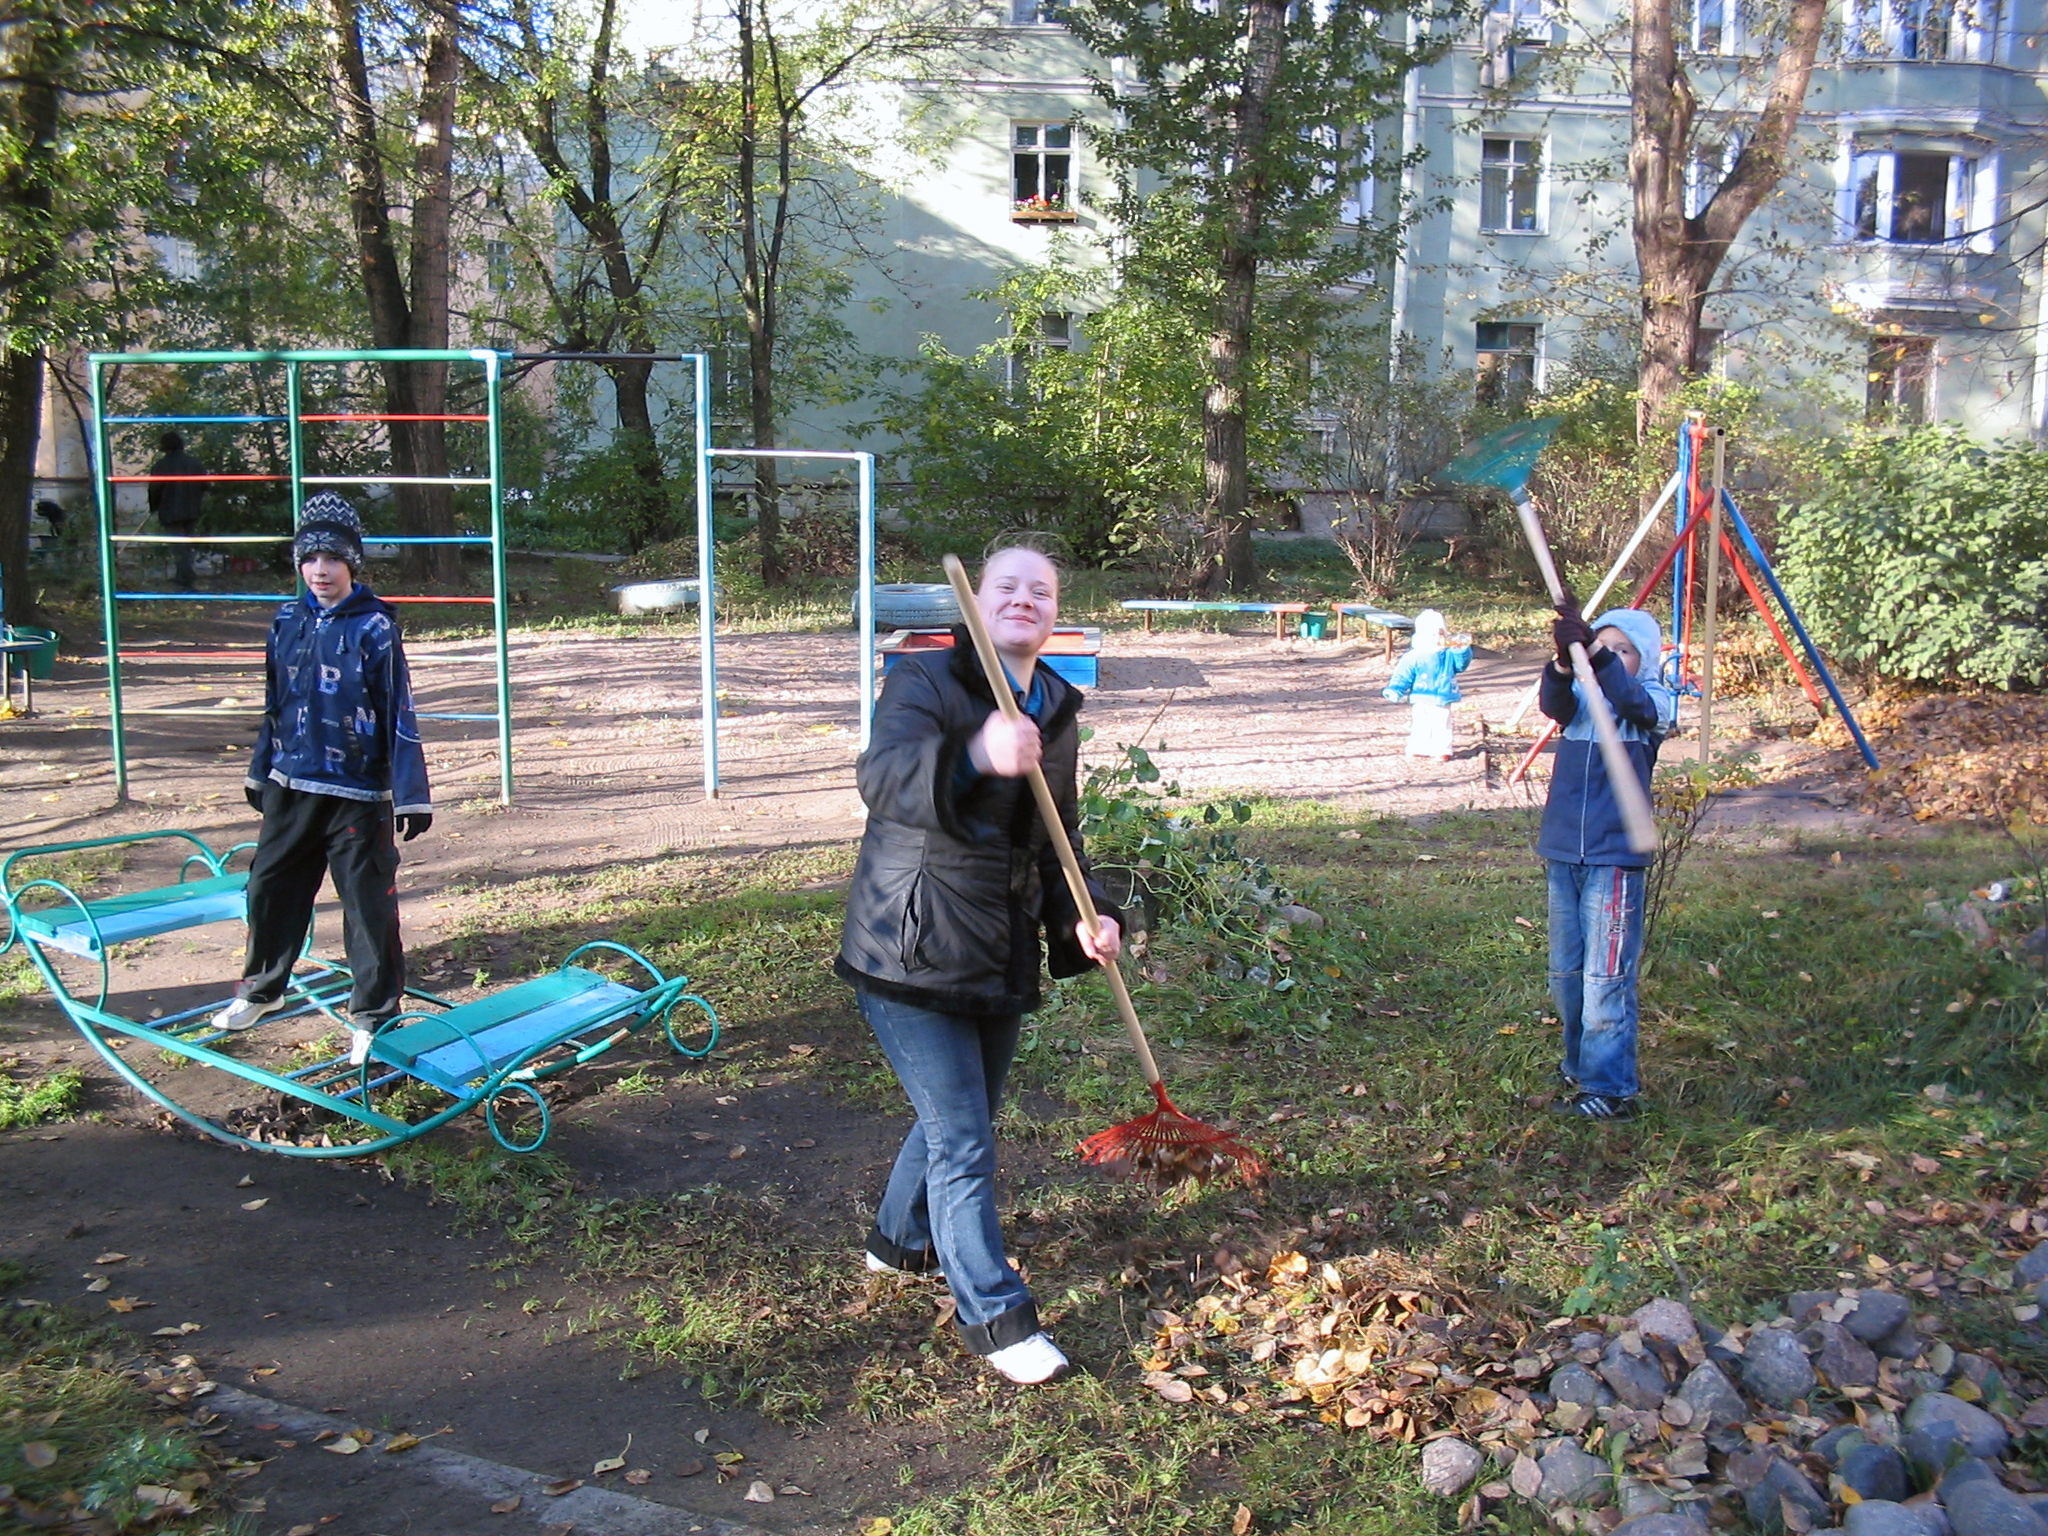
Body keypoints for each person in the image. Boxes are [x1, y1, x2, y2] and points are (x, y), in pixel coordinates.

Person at [836, 544, 1121, 1386]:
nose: (1023, 600)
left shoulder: (1057, 704)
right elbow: (881, 779)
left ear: (1055, 609)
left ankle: (896, 1243)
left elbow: (1057, 836)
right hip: (910, 944)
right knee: (963, 1139)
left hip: (996, 951)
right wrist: (974, 755)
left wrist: (1085, 917)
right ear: (977, 604)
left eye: (1041, 590)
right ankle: (995, 1319)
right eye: (1007, 587)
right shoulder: (927, 682)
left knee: (957, 1122)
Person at [211, 493, 432, 1067]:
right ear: (298, 565)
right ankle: (262, 991)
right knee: (270, 888)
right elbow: (273, 704)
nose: (320, 571)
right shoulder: (286, 622)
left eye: (332, 559)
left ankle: (374, 1016)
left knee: (366, 906)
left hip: (358, 796)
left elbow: (398, 709)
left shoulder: (376, 627)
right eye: (309, 560)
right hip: (292, 786)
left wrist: (411, 792)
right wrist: (260, 769)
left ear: (352, 563)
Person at [1537, 605, 1676, 1121]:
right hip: (1563, 853)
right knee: (1567, 974)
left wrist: (1596, 653)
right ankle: (1579, 1066)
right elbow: (1552, 703)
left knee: (1605, 978)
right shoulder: (1579, 703)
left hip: (1614, 859)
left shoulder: (1653, 705)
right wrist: (1563, 664)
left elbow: (1633, 699)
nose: (1612, 658)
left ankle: (1611, 1088)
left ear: (1645, 659)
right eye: (1604, 645)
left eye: (1624, 651)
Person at [1381, 608, 1472, 760]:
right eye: (1433, 633)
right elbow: (1403, 673)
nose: (1437, 637)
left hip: (1444, 694)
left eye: (1441, 632)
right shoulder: (1415, 655)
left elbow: (1460, 666)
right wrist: (1396, 688)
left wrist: (1461, 651)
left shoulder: (1448, 652)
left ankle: (1442, 749)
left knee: (1442, 723)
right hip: (1421, 694)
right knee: (1421, 722)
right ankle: (1419, 746)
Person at [146, 431, 209, 592]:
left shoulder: (161, 466)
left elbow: (154, 489)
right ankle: (185, 576)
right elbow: (206, 485)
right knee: (186, 546)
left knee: (178, 547)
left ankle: (185, 580)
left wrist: (153, 506)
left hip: (170, 511)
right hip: (192, 510)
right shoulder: (195, 463)